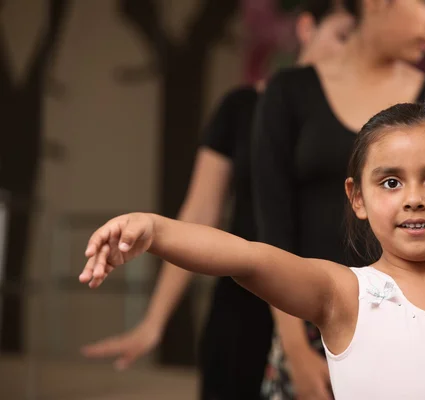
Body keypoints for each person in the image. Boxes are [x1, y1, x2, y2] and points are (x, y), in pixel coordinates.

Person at [79, 103, 425, 400]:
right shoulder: (343, 294)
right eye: (391, 182)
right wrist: (155, 231)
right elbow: (246, 256)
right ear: (357, 197)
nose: (414, 197)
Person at [79, 2, 354, 399]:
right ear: (307, 27)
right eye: (343, 36)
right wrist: (154, 322)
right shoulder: (241, 107)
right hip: (244, 303)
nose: (351, 50)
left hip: (322, 306)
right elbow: (200, 211)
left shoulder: (364, 121)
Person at [252, 0, 425, 398]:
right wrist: (295, 351)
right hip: (308, 327)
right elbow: (273, 231)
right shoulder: (289, 92)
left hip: (418, 332)